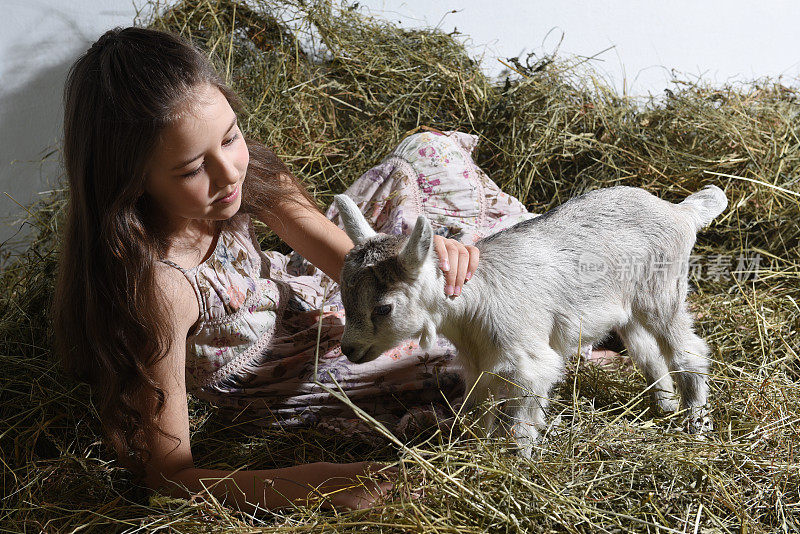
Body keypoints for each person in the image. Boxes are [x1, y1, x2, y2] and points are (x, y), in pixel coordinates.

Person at [53, 26, 618, 514]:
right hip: (286, 374)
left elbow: (344, 256)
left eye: (231, 137)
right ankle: (579, 327)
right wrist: (309, 484)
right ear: (130, 180)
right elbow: (165, 476)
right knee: (480, 353)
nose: (229, 173)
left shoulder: (237, 183)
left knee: (423, 156)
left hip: (306, 295)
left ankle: (548, 274)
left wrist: (418, 267)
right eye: (192, 168)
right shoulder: (157, 289)